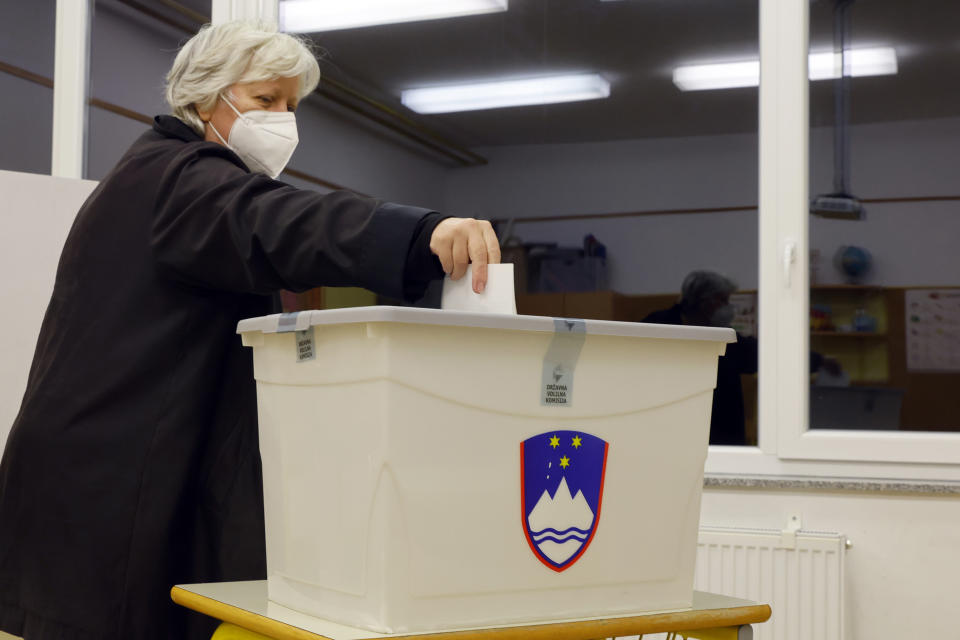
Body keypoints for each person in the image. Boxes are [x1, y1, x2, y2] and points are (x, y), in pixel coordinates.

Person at [0, 21, 499, 640]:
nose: (283, 119)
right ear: (205, 98)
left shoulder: (159, 174)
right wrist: (419, 233)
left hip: (101, 469)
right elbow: (284, 221)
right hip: (109, 487)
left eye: (292, 106)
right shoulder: (182, 181)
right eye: (266, 100)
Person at [644, 271, 836, 446]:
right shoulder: (656, 328)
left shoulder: (726, 339)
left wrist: (819, 360)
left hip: (720, 441)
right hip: (668, 435)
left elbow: (770, 356)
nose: (728, 307)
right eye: (723, 300)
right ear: (703, 301)